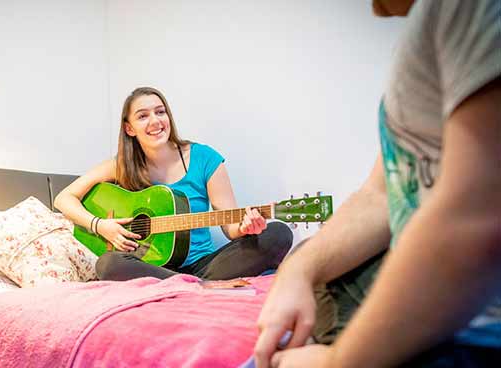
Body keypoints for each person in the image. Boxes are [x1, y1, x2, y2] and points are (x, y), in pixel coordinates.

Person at [254, 0, 500, 367]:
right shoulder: (428, 32)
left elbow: (476, 220)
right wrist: (296, 270)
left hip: (473, 330)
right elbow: (381, 193)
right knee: (318, 268)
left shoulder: (462, 7)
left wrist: (337, 362)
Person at [54, 86, 293, 281]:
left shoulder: (205, 158)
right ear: (129, 128)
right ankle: (194, 287)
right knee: (108, 263)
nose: (155, 121)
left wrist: (244, 228)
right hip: (153, 268)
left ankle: (189, 285)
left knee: (278, 234)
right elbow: (63, 198)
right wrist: (99, 225)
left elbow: (230, 228)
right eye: (143, 116)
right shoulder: (122, 166)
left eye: (160, 112)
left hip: (206, 265)